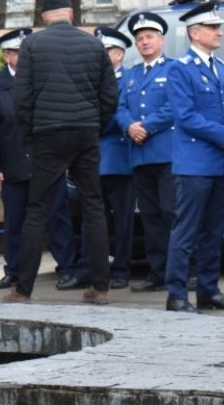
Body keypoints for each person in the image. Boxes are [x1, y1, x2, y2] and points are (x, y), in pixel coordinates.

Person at [5, 0, 117, 305]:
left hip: (47, 133)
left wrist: (31, 134)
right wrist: (94, 125)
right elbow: (110, 95)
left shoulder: (32, 45)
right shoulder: (94, 44)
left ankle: (23, 290)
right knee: (94, 205)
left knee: (37, 209)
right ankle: (101, 287)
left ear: (44, 17)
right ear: (71, 13)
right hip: (85, 132)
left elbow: (21, 98)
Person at [0, 28, 80, 291]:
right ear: (6, 56)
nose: (25, 58)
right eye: (18, 53)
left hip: (48, 163)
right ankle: (14, 269)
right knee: (15, 220)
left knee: (57, 216)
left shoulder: (48, 80)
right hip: (13, 163)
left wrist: (65, 158)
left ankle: (67, 268)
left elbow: (61, 121)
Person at [164, 1, 224, 313]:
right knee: (186, 231)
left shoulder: (219, 67)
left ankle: (209, 290)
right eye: (213, 27)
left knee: (213, 231)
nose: (219, 32)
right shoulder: (180, 69)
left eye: (218, 26)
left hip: (219, 163)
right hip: (195, 163)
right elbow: (185, 117)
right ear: (195, 33)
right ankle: (176, 295)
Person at [117, 11, 177, 294]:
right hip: (140, 156)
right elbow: (119, 108)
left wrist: (146, 127)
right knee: (151, 216)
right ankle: (158, 272)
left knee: (172, 213)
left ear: (161, 40)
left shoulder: (174, 69)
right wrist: (129, 126)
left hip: (166, 154)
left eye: (149, 36)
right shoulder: (130, 75)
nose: (144, 42)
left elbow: (174, 106)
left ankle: (181, 270)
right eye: (140, 38)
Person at [86, 25, 135, 289]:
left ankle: (121, 268)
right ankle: (95, 268)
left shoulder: (127, 80)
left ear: (119, 54)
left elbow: (119, 116)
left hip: (118, 159)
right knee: (94, 217)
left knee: (122, 219)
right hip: (90, 158)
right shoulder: (89, 80)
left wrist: (88, 125)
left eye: (105, 51)